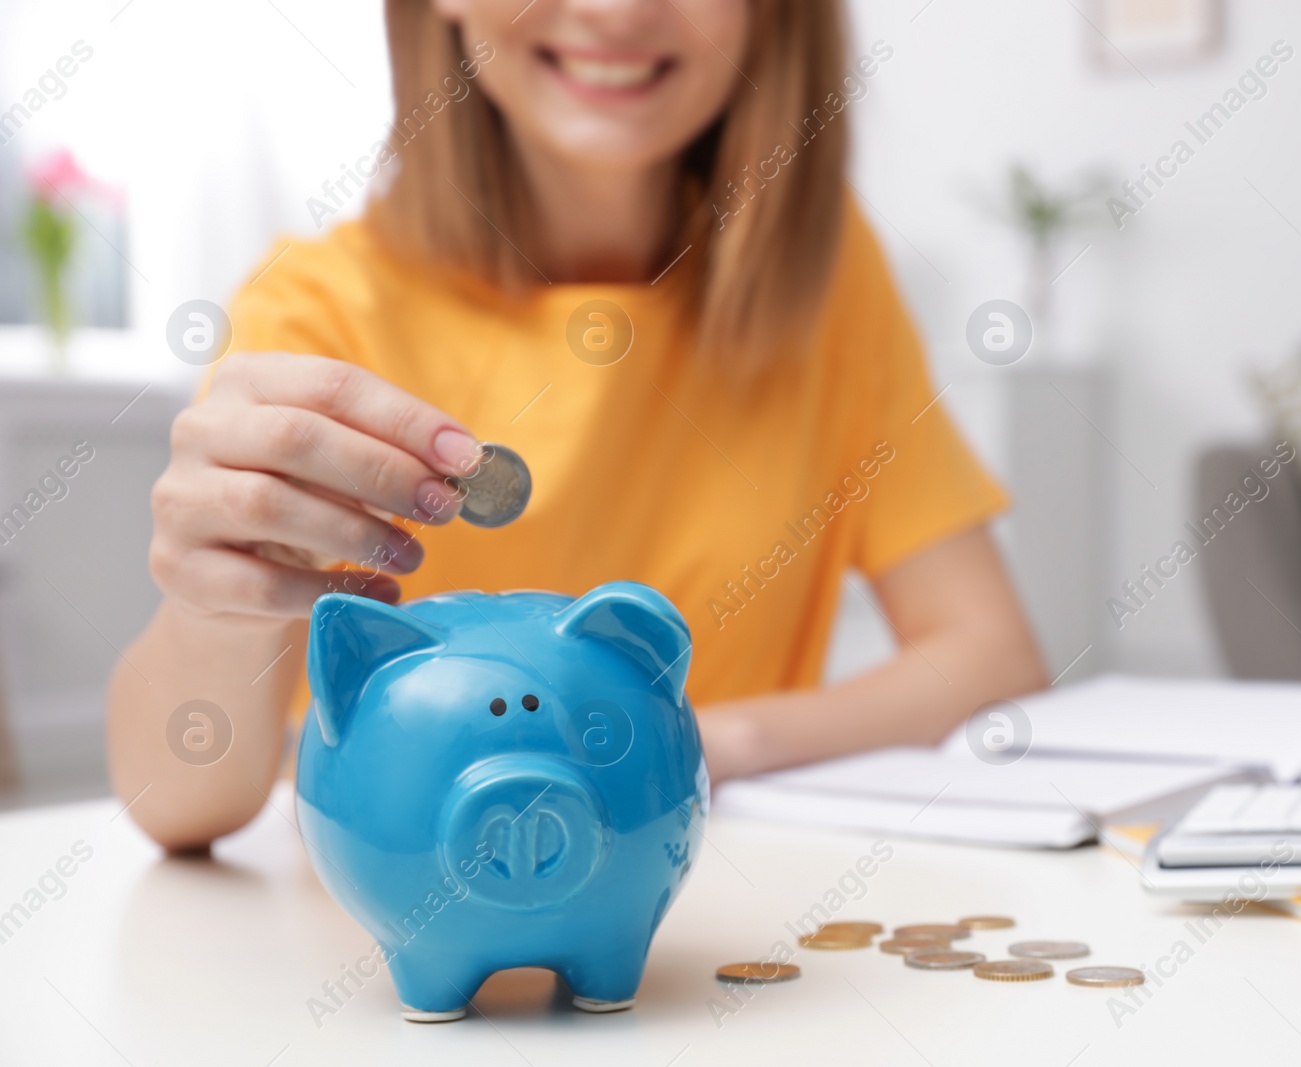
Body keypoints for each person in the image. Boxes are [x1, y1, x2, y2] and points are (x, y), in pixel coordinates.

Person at [107, 0, 1045, 851]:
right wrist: (212, 607)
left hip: (729, 901)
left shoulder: (824, 282)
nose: (618, 10)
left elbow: (992, 655)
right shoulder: (318, 315)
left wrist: (717, 738)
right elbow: (179, 804)